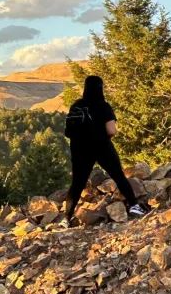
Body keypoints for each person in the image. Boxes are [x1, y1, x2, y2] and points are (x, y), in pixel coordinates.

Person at [63, 75, 147, 224]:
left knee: (77, 183)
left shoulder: (76, 105)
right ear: (100, 88)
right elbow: (111, 130)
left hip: (79, 148)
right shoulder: (103, 105)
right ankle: (134, 206)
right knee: (118, 176)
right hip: (101, 146)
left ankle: (66, 218)